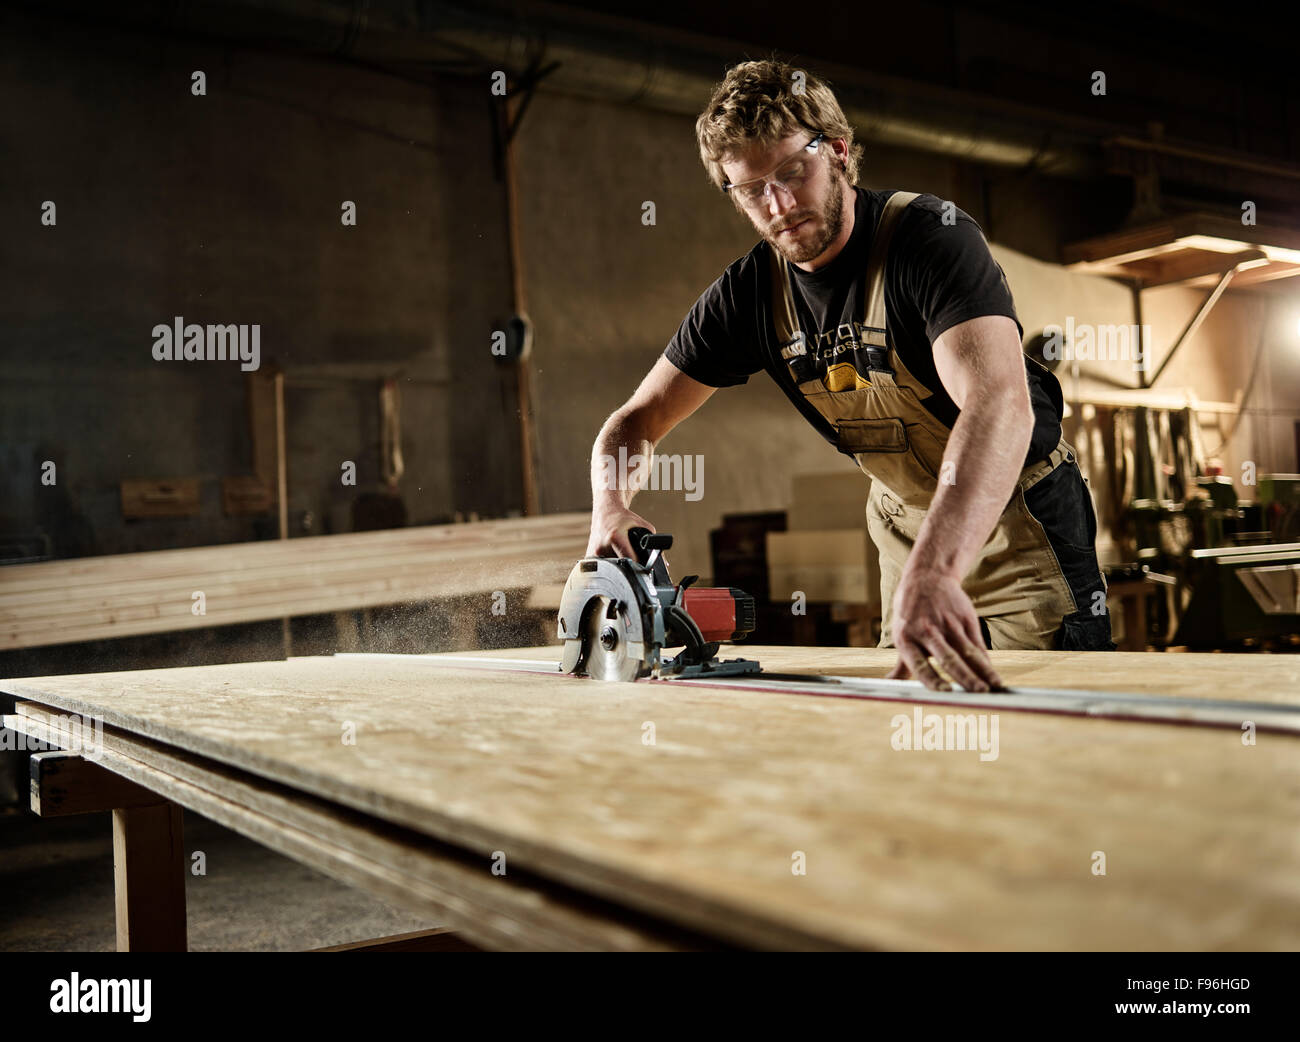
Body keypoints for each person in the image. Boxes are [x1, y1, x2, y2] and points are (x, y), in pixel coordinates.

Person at [586, 60, 1114, 692]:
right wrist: (610, 509)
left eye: (791, 172)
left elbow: (999, 407)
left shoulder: (929, 240)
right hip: (906, 526)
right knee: (916, 708)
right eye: (752, 190)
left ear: (836, 151)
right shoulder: (750, 295)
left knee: (1046, 719)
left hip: (1017, 521)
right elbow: (635, 421)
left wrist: (938, 571)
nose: (778, 205)